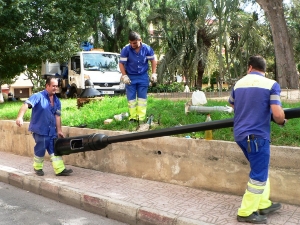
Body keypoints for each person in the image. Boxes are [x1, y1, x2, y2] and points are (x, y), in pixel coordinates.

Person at [228, 55, 286, 224]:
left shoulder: (238, 84)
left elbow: (232, 104)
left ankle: (263, 203)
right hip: (257, 136)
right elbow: (277, 114)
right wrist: (282, 120)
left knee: (260, 169)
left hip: (240, 135)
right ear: (264, 70)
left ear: (250, 68)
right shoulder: (271, 85)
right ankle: (245, 212)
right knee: (259, 175)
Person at [15, 77, 73, 176]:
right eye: (53, 86)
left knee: (54, 149)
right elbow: (26, 105)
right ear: (47, 86)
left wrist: (59, 130)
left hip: (52, 131)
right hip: (40, 130)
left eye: (57, 86)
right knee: (41, 148)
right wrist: (20, 117)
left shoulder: (57, 101)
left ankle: (60, 169)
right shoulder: (38, 96)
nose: (55, 88)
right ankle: (38, 168)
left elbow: (57, 116)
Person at [119, 31, 157, 122]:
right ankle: (133, 117)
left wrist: (154, 73)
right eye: (131, 43)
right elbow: (121, 64)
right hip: (130, 77)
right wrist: (124, 76)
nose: (132, 45)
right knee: (131, 99)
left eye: (135, 43)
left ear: (140, 40)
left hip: (143, 76)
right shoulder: (126, 49)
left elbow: (153, 60)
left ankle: (141, 117)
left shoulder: (147, 48)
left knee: (142, 98)